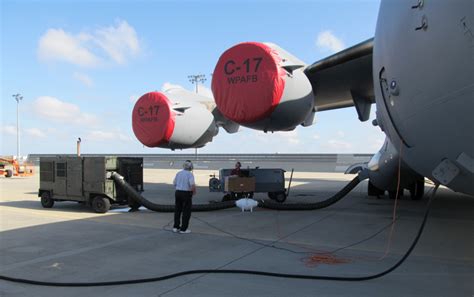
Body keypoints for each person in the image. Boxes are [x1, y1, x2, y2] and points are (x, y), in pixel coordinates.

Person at [172, 160, 196, 234]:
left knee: (177, 210)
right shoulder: (190, 174)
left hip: (178, 192)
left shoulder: (178, 173)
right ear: (191, 167)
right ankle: (183, 229)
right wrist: (193, 192)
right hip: (186, 193)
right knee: (186, 211)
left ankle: (176, 227)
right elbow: (192, 185)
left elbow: (174, 183)